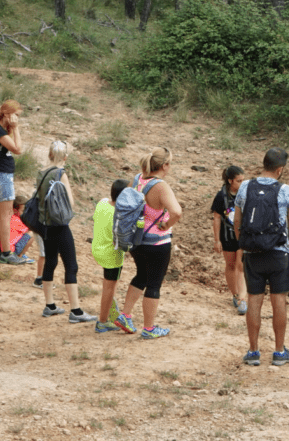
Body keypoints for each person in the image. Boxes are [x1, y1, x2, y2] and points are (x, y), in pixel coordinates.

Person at [235, 148, 289, 366]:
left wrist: (244, 245)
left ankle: (253, 352)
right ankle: (279, 352)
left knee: (254, 299)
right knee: (278, 300)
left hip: (252, 253)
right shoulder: (286, 190)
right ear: (280, 169)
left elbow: (237, 222)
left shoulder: (245, 187)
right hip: (278, 253)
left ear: (263, 164)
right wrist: (288, 250)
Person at [119, 148, 183, 339]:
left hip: (136, 239)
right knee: (154, 284)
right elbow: (177, 212)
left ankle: (125, 314)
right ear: (164, 165)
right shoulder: (161, 186)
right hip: (157, 243)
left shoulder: (137, 179)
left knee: (141, 275)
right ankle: (149, 328)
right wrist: (167, 224)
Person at [37, 142, 97, 324]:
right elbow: (70, 202)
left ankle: (50, 305)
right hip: (60, 225)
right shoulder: (60, 174)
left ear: (49, 154)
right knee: (71, 265)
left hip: (44, 224)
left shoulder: (41, 173)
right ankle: (76, 310)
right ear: (65, 157)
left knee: (51, 261)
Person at [0, 100, 24, 262]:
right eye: (16, 115)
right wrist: (15, 129)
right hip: (3, 175)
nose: (18, 119)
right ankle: (7, 253)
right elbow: (18, 149)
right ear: (7, 114)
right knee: (6, 215)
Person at [93, 179, 133, 334]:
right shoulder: (120, 216)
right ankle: (102, 322)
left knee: (107, 287)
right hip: (112, 256)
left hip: (98, 249)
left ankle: (110, 311)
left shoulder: (102, 203)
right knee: (109, 289)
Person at [211, 165, 248, 316]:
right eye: (238, 181)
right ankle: (235, 294)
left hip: (242, 236)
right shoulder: (221, 196)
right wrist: (216, 240)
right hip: (227, 236)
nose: (241, 183)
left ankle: (242, 299)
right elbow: (216, 218)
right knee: (231, 265)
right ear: (230, 180)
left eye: (243, 180)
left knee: (241, 265)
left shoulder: (246, 194)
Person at [1, 195, 34, 264]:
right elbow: (30, 229)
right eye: (23, 210)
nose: (25, 212)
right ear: (15, 211)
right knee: (32, 234)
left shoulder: (11, 218)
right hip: (12, 250)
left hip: (5, 248)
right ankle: (20, 256)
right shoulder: (17, 220)